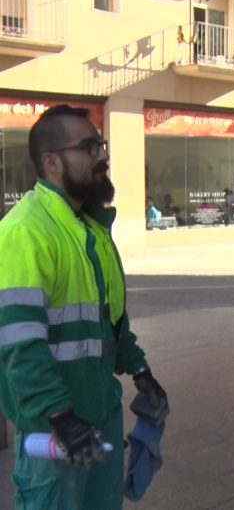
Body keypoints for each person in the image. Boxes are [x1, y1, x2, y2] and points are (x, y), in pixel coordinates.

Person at [0, 105, 168, 510]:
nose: (102, 156)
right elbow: (18, 344)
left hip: (97, 416)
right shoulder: (26, 232)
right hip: (55, 430)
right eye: (89, 147)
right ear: (52, 161)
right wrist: (59, 415)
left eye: (101, 145)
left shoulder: (89, 228)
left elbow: (108, 318)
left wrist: (139, 368)